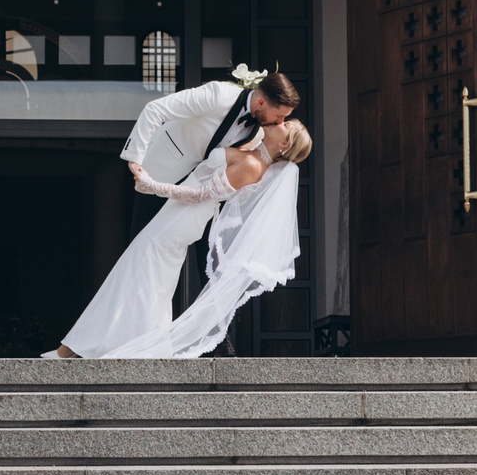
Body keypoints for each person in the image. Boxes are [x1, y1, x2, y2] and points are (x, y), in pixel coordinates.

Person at [53, 70, 299, 358]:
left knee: (153, 265)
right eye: (279, 117)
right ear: (261, 103)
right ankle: (131, 343)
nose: (278, 122)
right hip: (159, 171)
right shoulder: (220, 95)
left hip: (191, 201)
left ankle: (189, 343)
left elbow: (224, 180)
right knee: (143, 266)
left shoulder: (257, 135)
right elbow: (155, 109)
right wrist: (135, 160)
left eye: (283, 121)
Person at [99, 120, 311, 359]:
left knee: (150, 268)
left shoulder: (252, 165)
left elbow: (201, 195)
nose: (280, 121)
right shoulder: (251, 144)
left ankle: (138, 341)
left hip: (186, 214)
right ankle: (140, 337)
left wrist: (154, 187)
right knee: (155, 276)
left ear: (283, 145)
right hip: (178, 208)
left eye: (286, 125)